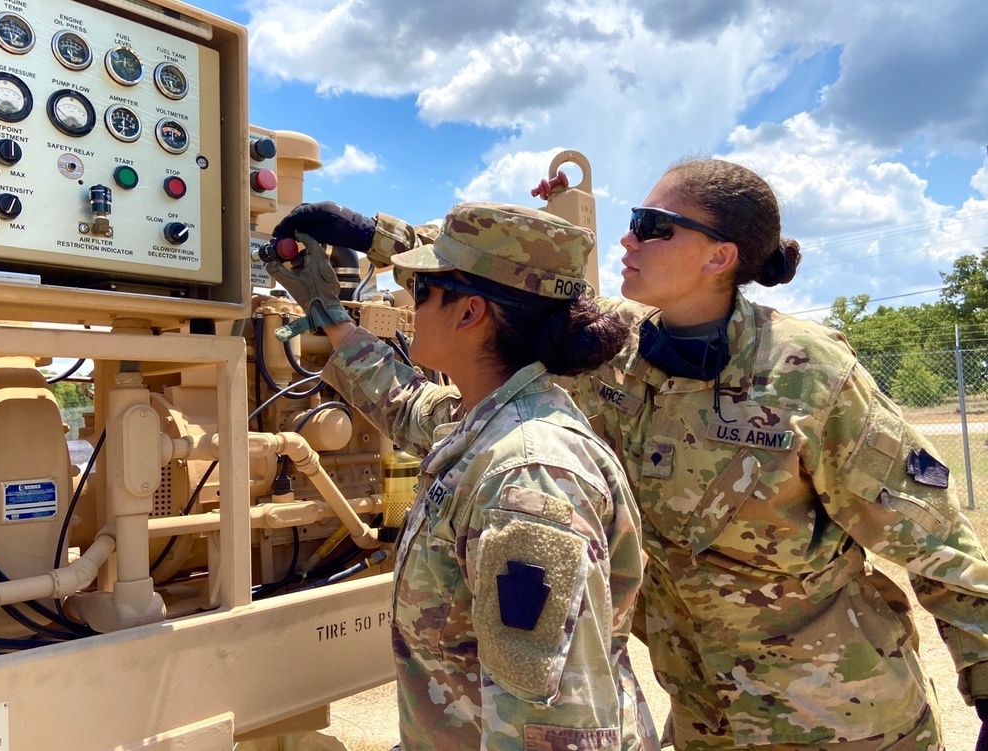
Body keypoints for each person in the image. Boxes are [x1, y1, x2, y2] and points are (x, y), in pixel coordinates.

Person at [272, 158, 988, 750]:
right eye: (632, 223)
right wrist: (368, 249)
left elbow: (937, 542)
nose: (628, 239)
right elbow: (498, 304)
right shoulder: (618, 363)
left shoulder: (808, 373)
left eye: (653, 227)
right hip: (705, 720)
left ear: (720, 255)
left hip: (845, 721)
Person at [266, 202, 658, 751]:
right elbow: (406, 406)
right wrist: (329, 314)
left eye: (422, 292)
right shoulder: (492, 420)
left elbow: (547, 726)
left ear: (471, 312)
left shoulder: (526, 479)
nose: (410, 303)